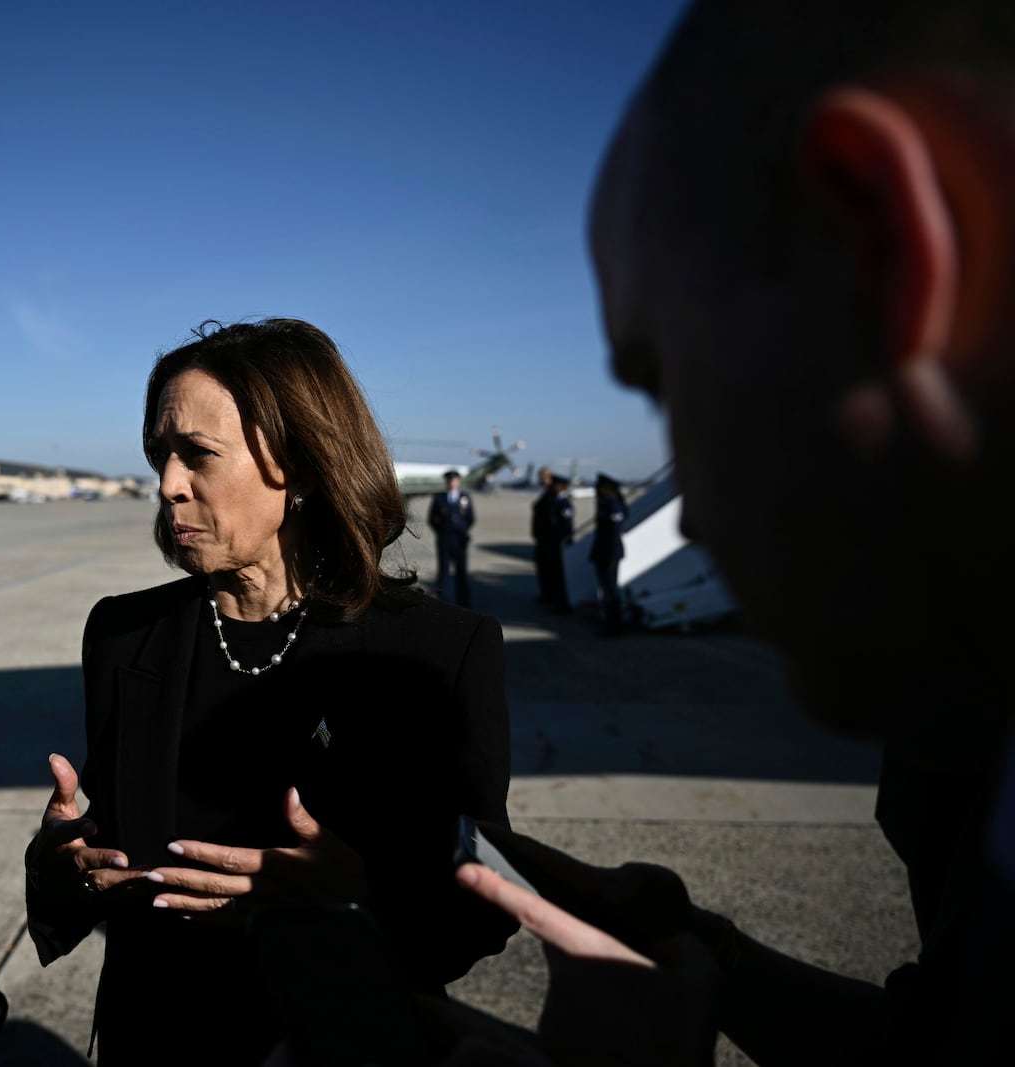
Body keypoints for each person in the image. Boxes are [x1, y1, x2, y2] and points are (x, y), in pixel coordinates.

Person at [456, 1, 1015, 1062]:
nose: (694, 511)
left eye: (669, 380)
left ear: (897, 250)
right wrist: (699, 949)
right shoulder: (959, 737)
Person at [25, 318, 515, 1065]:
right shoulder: (123, 634)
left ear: (304, 468)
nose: (166, 485)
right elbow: (108, 850)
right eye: (160, 455)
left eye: (197, 455)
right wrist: (61, 864)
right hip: (153, 1036)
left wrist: (360, 890)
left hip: (337, 1040)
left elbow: (479, 909)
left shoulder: (438, 651)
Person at [427, 469, 474, 607]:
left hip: (460, 540)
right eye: (449, 480)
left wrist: (463, 530)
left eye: (454, 480)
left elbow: (470, 518)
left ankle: (464, 600)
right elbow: (431, 519)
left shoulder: (464, 497)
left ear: (458, 481)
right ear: (447, 482)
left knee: (461, 570)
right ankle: (444, 600)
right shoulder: (439, 498)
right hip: (444, 539)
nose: (452, 483)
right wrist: (441, 531)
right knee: (443, 570)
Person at [588, 473, 626, 636]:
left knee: (611, 591)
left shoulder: (613, 505)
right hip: (603, 553)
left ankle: (614, 626)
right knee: (606, 589)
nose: (596, 489)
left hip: (609, 555)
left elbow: (614, 534)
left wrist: (612, 556)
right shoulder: (604, 504)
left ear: (607, 489)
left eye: (599, 487)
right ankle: (609, 623)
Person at [530, 470, 573, 612]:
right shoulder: (549, 497)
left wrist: (563, 542)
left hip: (555, 544)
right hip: (545, 540)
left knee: (557, 574)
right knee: (545, 570)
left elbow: (566, 526)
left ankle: (560, 602)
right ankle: (549, 597)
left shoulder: (561, 501)